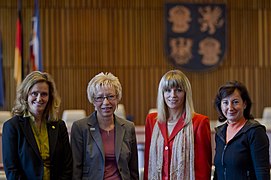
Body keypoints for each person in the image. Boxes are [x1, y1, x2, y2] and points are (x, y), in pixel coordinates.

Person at [2, 71, 72, 179]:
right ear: (26, 95)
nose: (39, 99)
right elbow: (12, 170)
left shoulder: (59, 126)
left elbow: (67, 166)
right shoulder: (12, 127)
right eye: (34, 93)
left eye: (44, 94)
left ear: (50, 97)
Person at [144, 69, 212, 180]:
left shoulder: (200, 122)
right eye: (167, 90)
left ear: (186, 93)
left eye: (178, 90)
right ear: (162, 93)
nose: (172, 95)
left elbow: (203, 168)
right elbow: (148, 161)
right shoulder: (152, 120)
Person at [70, 72, 139, 180]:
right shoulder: (80, 128)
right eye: (100, 97)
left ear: (117, 98)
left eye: (111, 96)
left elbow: (133, 171)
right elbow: (76, 170)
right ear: (93, 100)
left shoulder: (128, 127)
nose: (106, 102)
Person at [213, 81, 270, 179]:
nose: (230, 107)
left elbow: (262, 172)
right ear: (220, 105)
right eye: (225, 102)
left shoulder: (255, 131)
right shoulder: (220, 133)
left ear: (244, 104)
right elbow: (218, 172)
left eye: (235, 102)